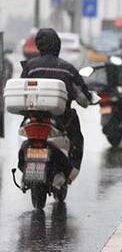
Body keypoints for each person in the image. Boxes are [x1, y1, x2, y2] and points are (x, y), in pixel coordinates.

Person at [20, 28, 92, 181]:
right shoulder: (67, 69)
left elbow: (21, 92)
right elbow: (83, 99)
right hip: (61, 120)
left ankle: (23, 166)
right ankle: (71, 171)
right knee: (76, 138)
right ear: (58, 45)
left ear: (38, 46)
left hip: (32, 118)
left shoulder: (29, 67)